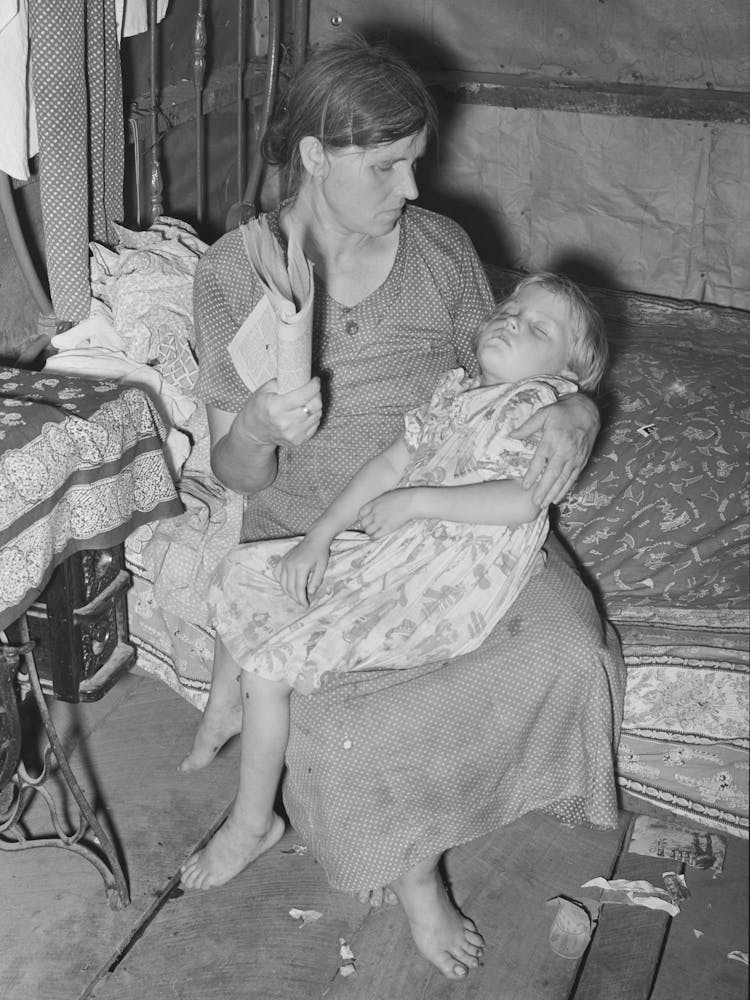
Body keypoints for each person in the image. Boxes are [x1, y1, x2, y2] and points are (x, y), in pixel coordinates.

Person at [180, 35, 626, 982]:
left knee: (567, 645)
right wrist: (258, 422)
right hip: (316, 530)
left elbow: (517, 370)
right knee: (352, 725)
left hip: (453, 517)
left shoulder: (440, 252)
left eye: (415, 159)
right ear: (313, 156)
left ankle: (421, 822)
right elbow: (237, 478)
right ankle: (412, 874)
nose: (413, 187)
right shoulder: (234, 275)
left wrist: (583, 409)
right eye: (387, 165)